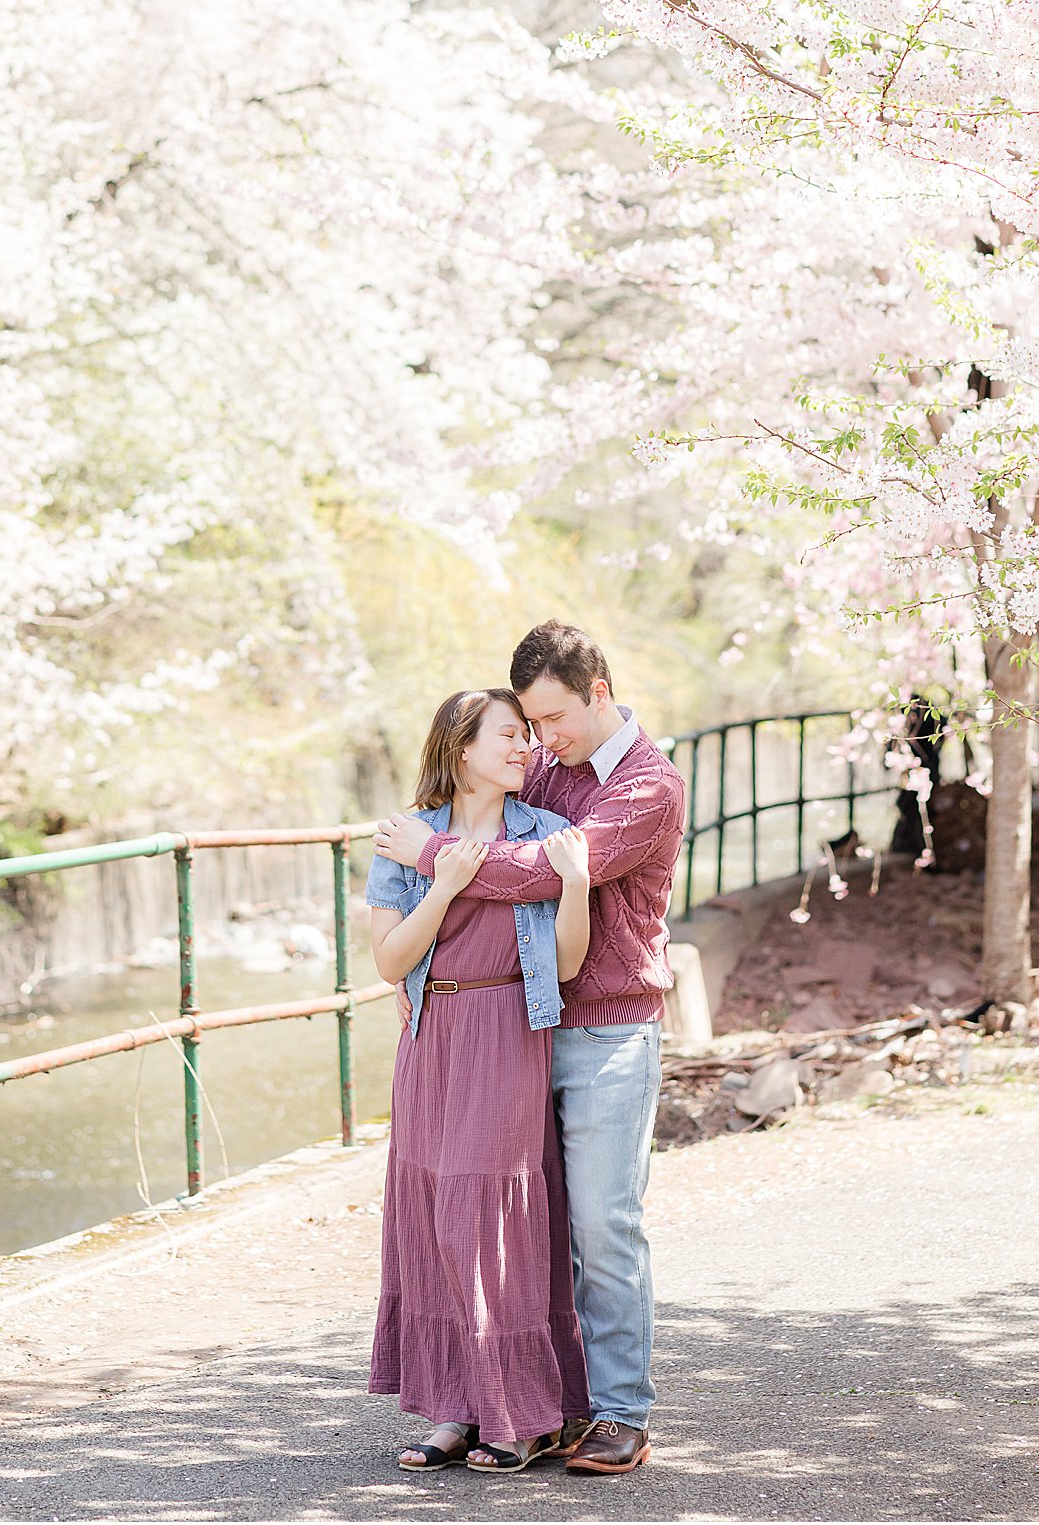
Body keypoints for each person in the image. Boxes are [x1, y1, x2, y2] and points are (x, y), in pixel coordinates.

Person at [374, 623, 686, 1475]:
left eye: (554, 716)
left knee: (602, 1221)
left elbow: (534, 872)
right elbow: (498, 817)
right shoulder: (549, 766)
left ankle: (622, 1413)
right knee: (519, 1222)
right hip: (519, 1026)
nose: (543, 738)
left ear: (599, 689)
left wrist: (432, 854)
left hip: (606, 1028)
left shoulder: (648, 785)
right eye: (532, 723)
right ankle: (529, 1404)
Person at [365, 687, 594, 1473]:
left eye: (528, 736)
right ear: (461, 747)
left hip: (506, 1029)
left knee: (487, 1214)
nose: (525, 747)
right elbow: (390, 960)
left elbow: (564, 963)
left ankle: (522, 1413)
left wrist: (575, 885)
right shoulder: (406, 835)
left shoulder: (550, 835)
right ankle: (453, 1409)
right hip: (432, 1035)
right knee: (433, 1216)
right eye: (508, 734)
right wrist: (443, 882)